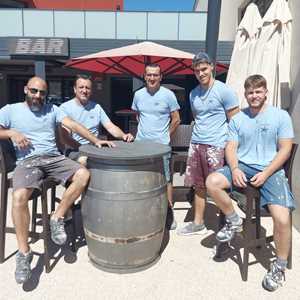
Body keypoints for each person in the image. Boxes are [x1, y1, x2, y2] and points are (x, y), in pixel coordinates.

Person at [0, 76, 113, 284]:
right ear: (26, 89)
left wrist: (96, 140)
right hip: (28, 162)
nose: (38, 96)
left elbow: (73, 125)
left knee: (83, 174)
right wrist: (10, 133)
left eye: (42, 92)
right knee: (18, 197)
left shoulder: (53, 109)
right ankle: (24, 254)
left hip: (53, 158)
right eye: (34, 91)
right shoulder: (10, 110)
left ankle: (56, 217)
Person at [206, 74, 295, 291]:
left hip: (271, 170)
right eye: (250, 92)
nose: (254, 96)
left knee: (282, 219)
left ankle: (279, 266)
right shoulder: (238, 119)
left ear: (265, 92)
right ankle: (234, 220)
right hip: (243, 167)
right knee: (212, 181)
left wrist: (267, 172)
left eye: (258, 91)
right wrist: (234, 168)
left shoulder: (280, 116)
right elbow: (231, 147)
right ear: (245, 95)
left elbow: (285, 148)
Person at [177, 52, 239, 236]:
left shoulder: (225, 91)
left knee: (218, 186)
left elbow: (235, 122)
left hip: (217, 146)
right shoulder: (193, 93)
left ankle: (226, 223)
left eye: (204, 69)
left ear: (212, 66)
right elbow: (198, 117)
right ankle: (198, 224)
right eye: (197, 71)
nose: (201, 73)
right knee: (198, 185)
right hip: (196, 143)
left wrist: (231, 148)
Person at [131, 63, 181, 230]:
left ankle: (169, 212)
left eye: (155, 75)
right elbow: (138, 115)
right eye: (149, 75)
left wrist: (165, 136)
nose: (152, 78)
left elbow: (176, 119)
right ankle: (143, 209)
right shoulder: (138, 95)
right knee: (141, 177)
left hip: (161, 146)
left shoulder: (169, 95)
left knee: (166, 178)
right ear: (144, 76)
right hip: (141, 145)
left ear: (161, 77)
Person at [59, 74, 134, 165]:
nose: (84, 91)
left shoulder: (96, 107)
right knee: (85, 160)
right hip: (75, 149)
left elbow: (110, 126)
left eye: (87, 88)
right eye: (81, 87)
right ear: (75, 89)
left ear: (91, 91)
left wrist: (123, 136)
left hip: (96, 147)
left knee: (117, 158)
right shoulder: (65, 108)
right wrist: (84, 149)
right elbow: (65, 138)